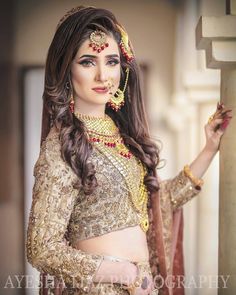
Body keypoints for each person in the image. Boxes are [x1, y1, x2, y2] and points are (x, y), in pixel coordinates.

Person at [26, 5, 232, 295]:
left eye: (111, 62)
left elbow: (159, 204)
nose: (102, 75)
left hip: (143, 286)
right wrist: (123, 272)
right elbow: (41, 248)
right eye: (87, 61)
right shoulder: (62, 146)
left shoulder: (122, 137)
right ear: (66, 69)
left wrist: (210, 149)